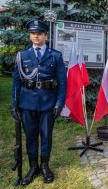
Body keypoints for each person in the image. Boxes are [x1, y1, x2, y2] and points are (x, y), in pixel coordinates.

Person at [11, 20, 67, 185]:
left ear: (46, 36)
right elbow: (16, 82)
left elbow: (62, 82)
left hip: (48, 103)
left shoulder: (55, 55)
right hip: (27, 103)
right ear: (30, 36)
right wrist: (14, 104)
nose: (36, 36)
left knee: (46, 136)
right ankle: (33, 166)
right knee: (30, 136)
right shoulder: (22, 55)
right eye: (33, 33)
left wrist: (59, 103)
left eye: (40, 33)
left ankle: (44, 166)